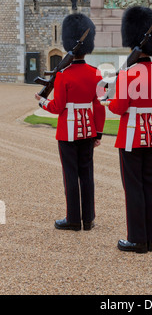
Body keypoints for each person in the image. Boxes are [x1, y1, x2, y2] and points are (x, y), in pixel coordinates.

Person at [107, 6, 152, 253]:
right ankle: (151, 237)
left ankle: (137, 239)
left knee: (133, 187)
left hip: (131, 136)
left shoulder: (127, 74)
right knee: (149, 185)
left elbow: (119, 107)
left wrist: (108, 100)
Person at [35, 13, 106, 231]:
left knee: (70, 176)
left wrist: (42, 102)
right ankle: (89, 219)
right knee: (87, 175)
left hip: (67, 132)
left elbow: (57, 107)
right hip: (88, 131)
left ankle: (73, 218)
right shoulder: (97, 73)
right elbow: (99, 107)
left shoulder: (63, 75)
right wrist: (98, 134)